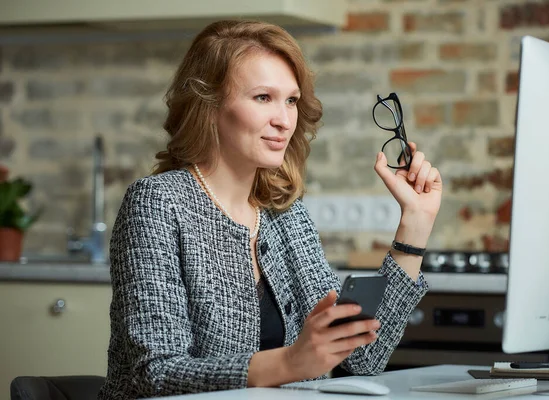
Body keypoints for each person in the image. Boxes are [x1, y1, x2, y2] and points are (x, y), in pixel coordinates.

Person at [98, 19, 442, 399]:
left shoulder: (285, 213)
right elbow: (155, 374)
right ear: (208, 104)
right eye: (263, 97)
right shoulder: (158, 203)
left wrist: (415, 224)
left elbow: (364, 358)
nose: (284, 120)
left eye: (291, 100)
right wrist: (292, 362)